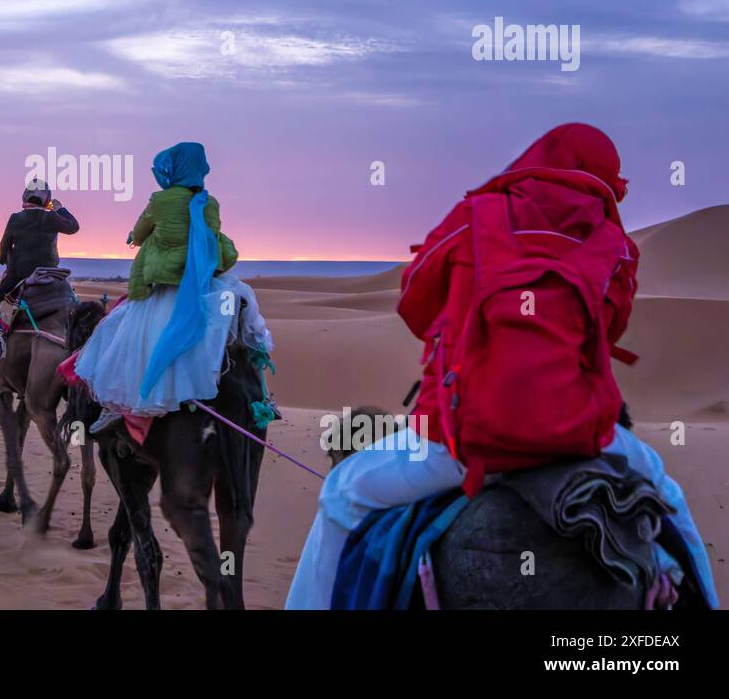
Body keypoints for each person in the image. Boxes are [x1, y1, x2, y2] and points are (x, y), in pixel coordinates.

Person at [285, 124, 719, 609]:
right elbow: (610, 330)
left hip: (461, 442)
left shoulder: (474, 217)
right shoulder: (615, 245)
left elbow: (414, 303)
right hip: (578, 436)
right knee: (669, 500)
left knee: (341, 497)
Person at [75, 142, 246, 433]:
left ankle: (116, 405)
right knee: (244, 327)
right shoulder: (209, 203)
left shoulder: (160, 200)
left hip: (164, 288)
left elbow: (140, 233)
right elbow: (211, 238)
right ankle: (262, 397)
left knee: (115, 334)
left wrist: (137, 235)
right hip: (201, 284)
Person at [0, 180, 80, 365]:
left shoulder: (16, 218)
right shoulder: (52, 217)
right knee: (74, 302)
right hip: (51, 273)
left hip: (20, 274)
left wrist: (4, 258)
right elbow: (74, 227)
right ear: (46, 199)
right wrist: (60, 209)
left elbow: (3, 249)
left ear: (25, 197)